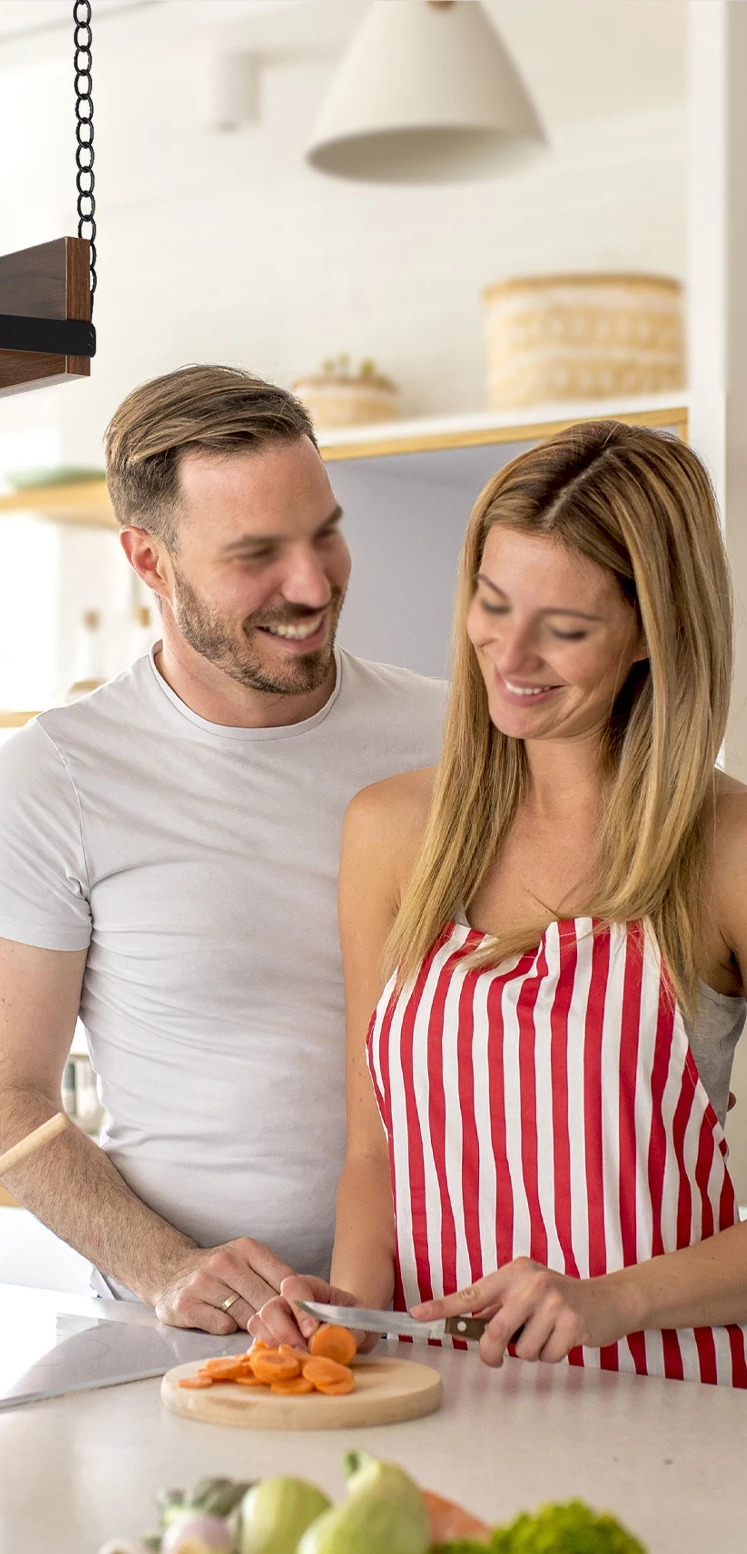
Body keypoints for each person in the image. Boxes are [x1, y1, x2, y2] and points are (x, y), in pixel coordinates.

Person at [253, 420, 747, 1385]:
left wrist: (610, 1299)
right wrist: (348, 1325)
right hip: (440, 1400)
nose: (509, 654)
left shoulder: (727, 851)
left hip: (674, 1408)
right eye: (493, 603)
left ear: (654, 632)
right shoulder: (395, 829)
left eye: (564, 628)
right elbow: (375, 1153)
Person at [0, 365, 445, 1334]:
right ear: (148, 560)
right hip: (185, 1334)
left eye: (324, 533)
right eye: (255, 553)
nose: (310, 584)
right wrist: (164, 1268)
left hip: (439, 1311)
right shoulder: (54, 777)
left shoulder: (453, 735)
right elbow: (10, 1099)